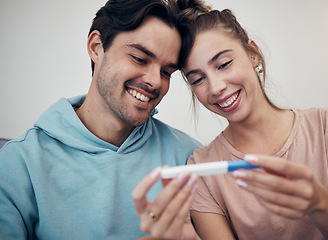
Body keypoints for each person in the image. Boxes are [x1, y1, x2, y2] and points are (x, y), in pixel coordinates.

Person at [0, 0, 202, 239]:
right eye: (139, 58)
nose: (155, 81)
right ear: (96, 47)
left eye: (166, 72)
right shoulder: (17, 165)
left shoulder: (192, 158)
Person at [178, 0, 328, 239]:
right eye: (197, 79)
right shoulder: (201, 170)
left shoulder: (323, 126)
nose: (215, 87)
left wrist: (319, 203)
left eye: (223, 64)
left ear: (252, 54)